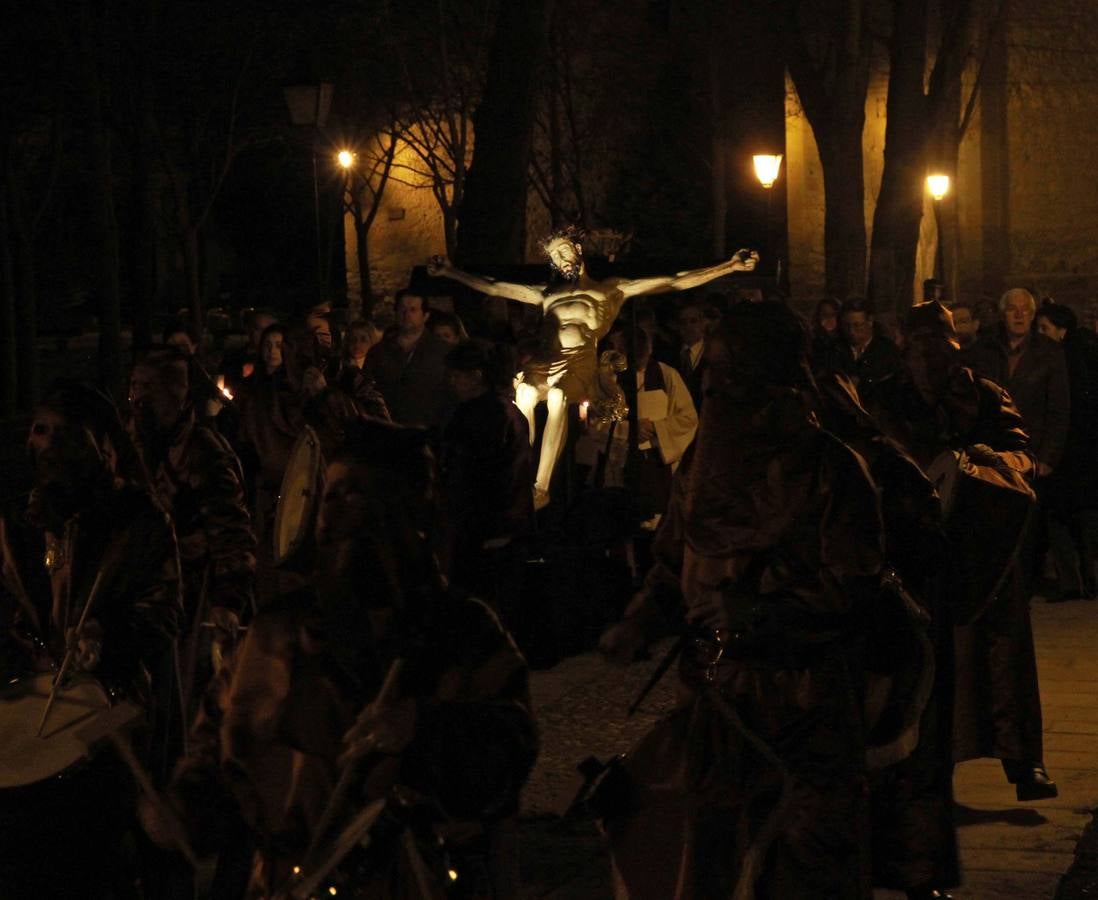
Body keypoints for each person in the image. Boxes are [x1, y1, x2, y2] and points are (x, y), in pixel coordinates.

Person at [142, 419, 538, 898]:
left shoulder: (460, 628)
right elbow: (217, 746)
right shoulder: (276, 632)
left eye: (352, 493)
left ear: (400, 509)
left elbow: (513, 744)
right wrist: (185, 809)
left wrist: (422, 727)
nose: (330, 511)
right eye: (327, 493)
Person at [597, 302, 885, 899]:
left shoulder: (833, 468)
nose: (712, 384)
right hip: (714, 707)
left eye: (729, 370)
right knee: (708, 863)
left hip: (802, 710)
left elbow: (853, 590)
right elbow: (675, 566)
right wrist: (640, 621)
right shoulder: (701, 467)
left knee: (800, 871)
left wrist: (757, 615)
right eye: (711, 371)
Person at [0, 381, 182, 897]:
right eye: (41, 431)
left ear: (97, 443)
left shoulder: (137, 519)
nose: (49, 445)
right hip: (34, 699)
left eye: (64, 433)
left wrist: (107, 636)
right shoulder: (18, 522)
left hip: (115, 703)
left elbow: (165, 609)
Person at [870, 301, 1056, 804]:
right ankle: (927, 769)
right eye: (920, 349)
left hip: (983, 542)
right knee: (924, 659)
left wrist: (995, 462)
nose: (931, 362)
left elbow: (1024, 453)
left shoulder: (985, 396)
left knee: (1001, 650)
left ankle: (1022, 758)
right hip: (915, 546)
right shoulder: (882, 399)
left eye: (941, 348)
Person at [429, 227, 757, 508]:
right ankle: (520, 470)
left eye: (564, 251)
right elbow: (494, 286)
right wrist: (451, 272)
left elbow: (672, 281)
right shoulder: (547, 294)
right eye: (554, 256)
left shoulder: (609, 290)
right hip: (547, 359)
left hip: (580, 361)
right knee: (525, 391)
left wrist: (727, 267)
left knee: (557, 398)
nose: (560, 259)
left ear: (578, 249)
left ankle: (540, 486)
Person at [129, 349, 256, 711]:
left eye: (147, 388)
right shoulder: (134, 444)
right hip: (147, 597)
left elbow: (231, 531)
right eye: (134, 386)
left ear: (174, 393)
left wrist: (229, 600)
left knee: (194, 700)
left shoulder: (205, 453)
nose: (138, 398)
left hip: (194, 594)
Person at [439, 340, 534, 623]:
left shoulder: (489, 416)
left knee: (485, 608)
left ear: (476, 375)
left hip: (488, 530)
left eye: (456, 374)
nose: (451, 381)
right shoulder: (490, 412)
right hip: (485, 527)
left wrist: (495, 527)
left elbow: (494, 476)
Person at [589, 324, 698, 529]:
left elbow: (688, 418)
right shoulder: (607, 379)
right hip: (619, 464)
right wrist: (630, 431)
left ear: (648, 350)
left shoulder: (667, 375)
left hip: (656, 465)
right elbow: (596, 422)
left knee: (655, 523)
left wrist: (657, 428)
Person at [965, 288, 1070, 479]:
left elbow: (1058, 410)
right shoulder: (982, 350)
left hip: (1030, 452)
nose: (1019, 315)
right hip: (989, 453)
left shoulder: (1050, 353)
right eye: (1013, 309)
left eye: (1025, 310)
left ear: (1032, 315)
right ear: (1003, 314)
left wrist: (1047, 459)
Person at [1035, 299, 1098, 600]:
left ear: (1061, 331)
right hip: (1080, 451)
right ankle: (1086, 576)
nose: (1040, 333)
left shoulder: (1062, 360)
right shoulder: (1082, 353)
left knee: (1061, 514)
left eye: (1044, 328)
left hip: (1069, 451)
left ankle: (1073, 580)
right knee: (1083, 515)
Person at [364, 290, 453, 428]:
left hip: (428, 431)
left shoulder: (443, 352)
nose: (406, 315)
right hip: (388, 430)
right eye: (402, 309)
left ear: (425, 315)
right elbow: (366, 391)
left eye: (413, 310)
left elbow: (451, 394)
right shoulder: (378, 352)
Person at [831, 296, 902, 409]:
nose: (851, 331)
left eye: (857, 325)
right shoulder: (834, 349)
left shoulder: (887, 350)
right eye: (846, 325)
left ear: (869, 321)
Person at [674, 298, 708, 409]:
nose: (688, 327)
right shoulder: (670, 355)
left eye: (693, 321)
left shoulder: (711, 353)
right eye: (683, 322)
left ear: (703, 323)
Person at [809, 296, 842, 375]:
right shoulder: (813, 341)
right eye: (824, 314)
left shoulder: (845, 341)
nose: (829, 318)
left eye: (832, 314)